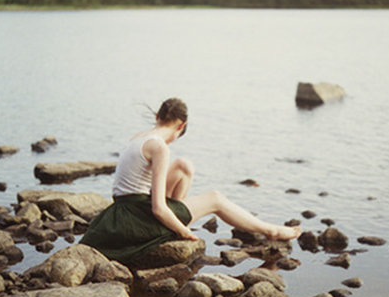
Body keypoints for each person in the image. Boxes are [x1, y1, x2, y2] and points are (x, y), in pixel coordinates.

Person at [80, 97, 302, 267]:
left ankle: (176, 221)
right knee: (215, 198)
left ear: (158, 116)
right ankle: (272, 231)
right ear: (180, 125)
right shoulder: (159, 146)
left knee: (184, 165)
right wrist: (184, 233)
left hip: (121, 212)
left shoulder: (140, 137)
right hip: (135, 217)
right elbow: (158, 208)